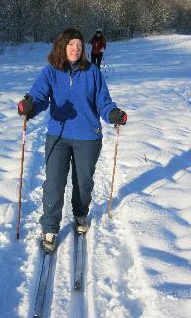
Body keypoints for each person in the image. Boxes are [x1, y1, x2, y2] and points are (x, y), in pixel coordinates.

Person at [18, 28, 127, 252]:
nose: (76, 49)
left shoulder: (93, 72)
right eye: (71, 45)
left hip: (88, 136)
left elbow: (104, 103)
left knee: (83, 182)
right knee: (54, 183)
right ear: (62, 46)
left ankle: (79, 214)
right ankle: (49, 227)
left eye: (79, 45)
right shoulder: (51, 72)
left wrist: (113, 114)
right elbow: (38, 96)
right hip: (58, 135)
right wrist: (29, 105)